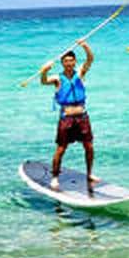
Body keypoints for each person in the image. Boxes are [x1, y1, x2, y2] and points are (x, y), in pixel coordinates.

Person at [40, 40, 97, 191]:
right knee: (61, 148)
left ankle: (89, 174)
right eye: (66, 61)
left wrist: (85, 46)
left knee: (89, 146)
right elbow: (44, 81)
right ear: (62, 63)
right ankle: (54, 177)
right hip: (66, 118)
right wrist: (44, 70)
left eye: (71, 61)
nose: (69, 63)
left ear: (75, 62)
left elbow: (90, 59)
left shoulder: (80, 73)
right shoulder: (57, 78)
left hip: (82, 116)